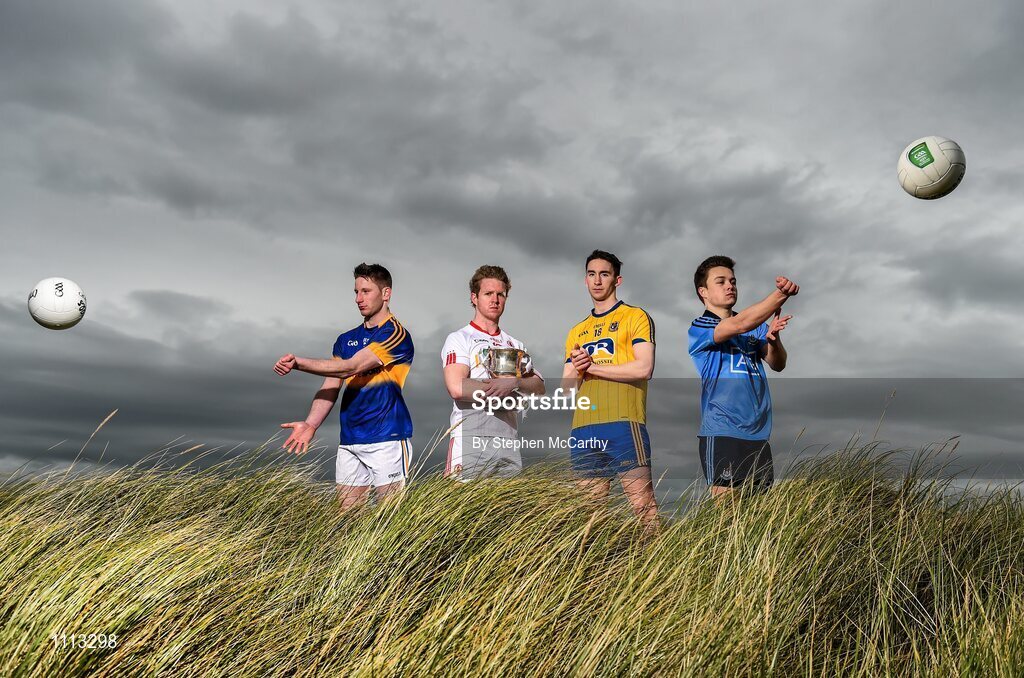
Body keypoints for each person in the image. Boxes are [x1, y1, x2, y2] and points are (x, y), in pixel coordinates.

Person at [273, 263, 414, 509]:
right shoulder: (345, 339)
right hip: (350, 440)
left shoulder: (396, 334)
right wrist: (311, 423)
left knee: (390, 520)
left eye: (366, 291)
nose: (359, 299)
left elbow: (350, 367)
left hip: (387, 439)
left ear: (386, 293)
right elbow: (332, 383)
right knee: (347, 519)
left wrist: (299, 363)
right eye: (356, 292)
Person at [688, 255, 799, 497]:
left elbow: (777, 363)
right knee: (727, 514)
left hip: (758, 433)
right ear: (703, 291)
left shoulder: (756, 327)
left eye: (733, 281)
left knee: (755, 517)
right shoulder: (701, 327)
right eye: (721, 281)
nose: (730, 285)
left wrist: (773, 339)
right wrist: (780, 294)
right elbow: (739, 325)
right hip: (722, 430)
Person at [563, 250, 658, 526]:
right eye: (591, 274)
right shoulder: (577, 330)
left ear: (617, 280)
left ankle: (652, 565)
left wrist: (591, 367)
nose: (597, 280)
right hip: (584, 428)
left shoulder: (636, 316)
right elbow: (567, 389)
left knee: (643, 506)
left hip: (624, 424)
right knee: (588, 516)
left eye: (604, 274)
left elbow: (644, 368)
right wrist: (578, 369)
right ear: (585, 280)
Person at [441, 265, 545, 480]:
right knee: (463, 511)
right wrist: (504, 389)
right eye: (488, 293)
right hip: (470, 435)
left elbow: (539, 387)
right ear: (474, 297)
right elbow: (457, 386)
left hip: (507, 438)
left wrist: (514, 382)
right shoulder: (460, 338)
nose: (495, 299)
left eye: (501, 294)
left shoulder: (515, 344)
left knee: (507, 512)